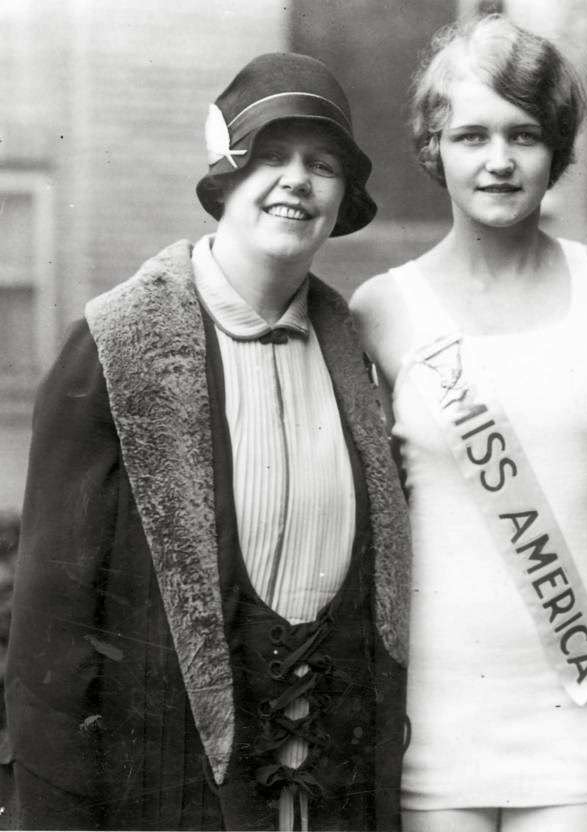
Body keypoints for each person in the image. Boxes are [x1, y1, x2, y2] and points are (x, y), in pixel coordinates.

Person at [6, 53, 411, 831]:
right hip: (167, 799)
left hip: (331, 802)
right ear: (225, 178)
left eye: (322, 164)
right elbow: (48, 651)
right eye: (271, 156)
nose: (297, 180)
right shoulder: (113, 349)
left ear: (343, 197)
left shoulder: (355, 360)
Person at [351, 15, 587, 832]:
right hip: (439, 694)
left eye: (525, 135)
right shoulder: (384, 310)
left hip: (581, 679)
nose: (501, 161)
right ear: (433, 146)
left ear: (559, 150)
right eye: (471, 135)